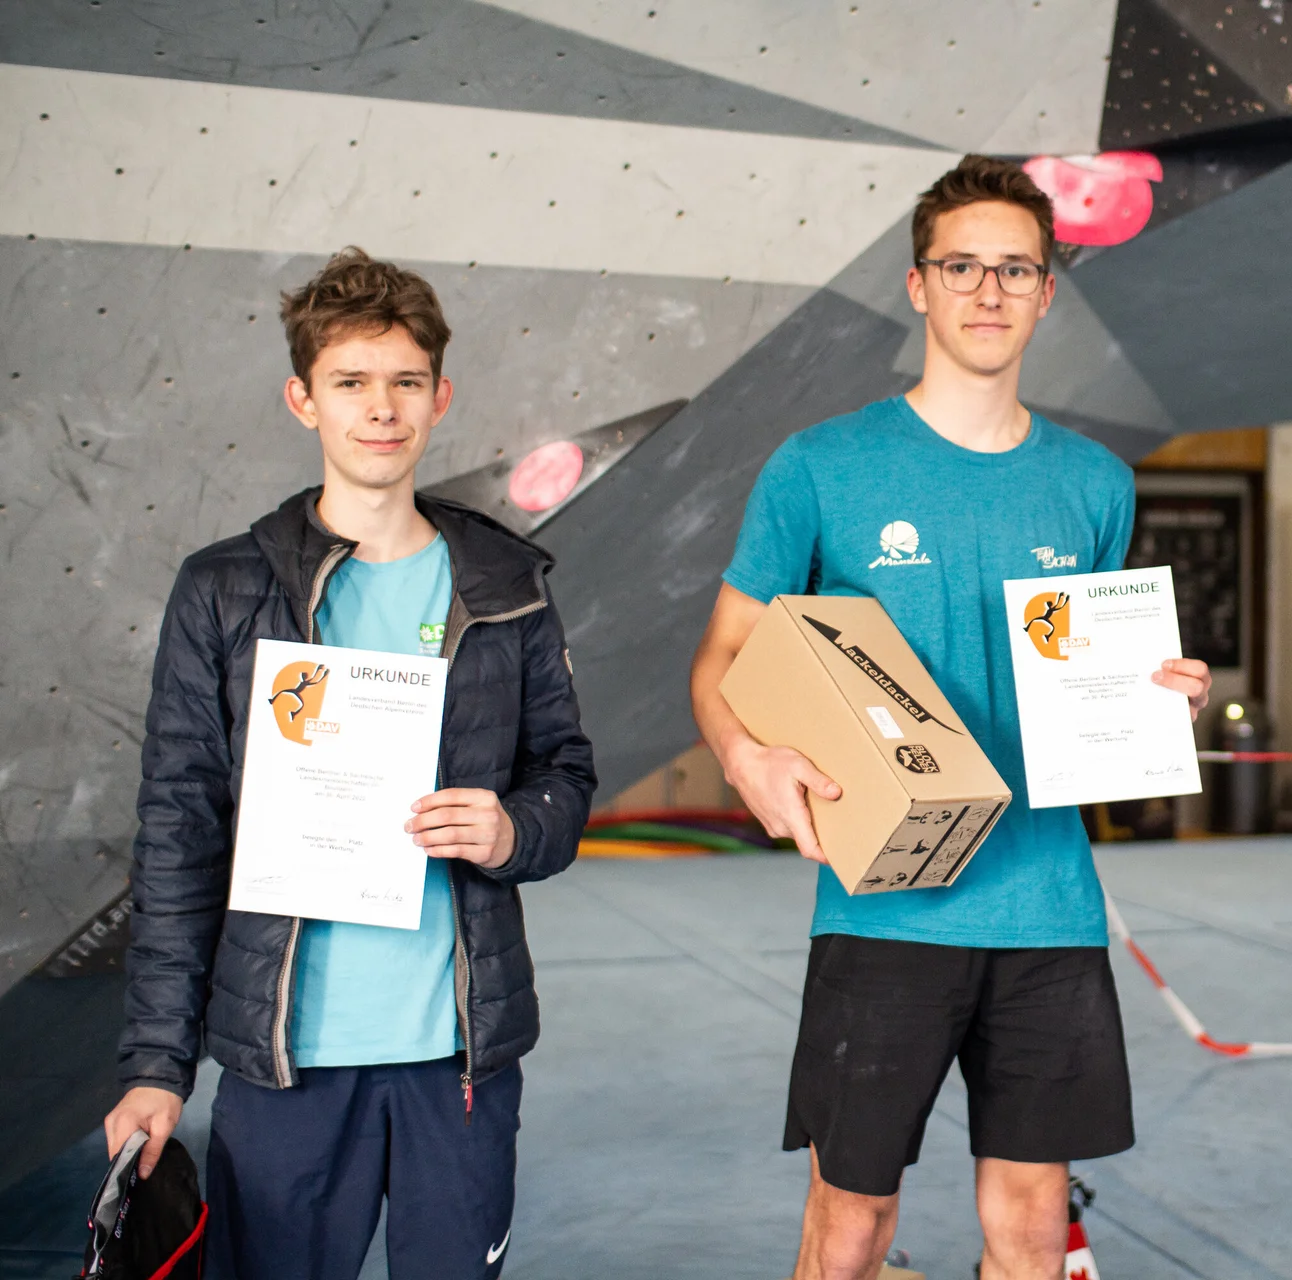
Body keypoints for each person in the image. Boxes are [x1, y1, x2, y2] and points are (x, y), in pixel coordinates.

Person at [688, 155, 1212, 1280]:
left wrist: (1156, 692)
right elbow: (724, 656)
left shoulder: (1093, 482)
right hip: (886, 910)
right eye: (962, 265)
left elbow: (1091, 672)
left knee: (1031, 1224)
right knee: (851, 1225)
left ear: (1046, 290)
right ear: (919, 285)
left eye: (1014, 268)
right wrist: (746, 754)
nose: (988, 289)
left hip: (1049, 909)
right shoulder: (822, 467)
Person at [103, 248, 596, 1280]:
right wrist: (156, 1063)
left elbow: (565, 774)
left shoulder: (506, 584)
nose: (382, 409)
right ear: (303, 398)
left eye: (405, 382)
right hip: (286, 1062)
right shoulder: (225, 590)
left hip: (453, 1056)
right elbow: (178, 830)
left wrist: (515, 828)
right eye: (352, 382)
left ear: (439, 396)